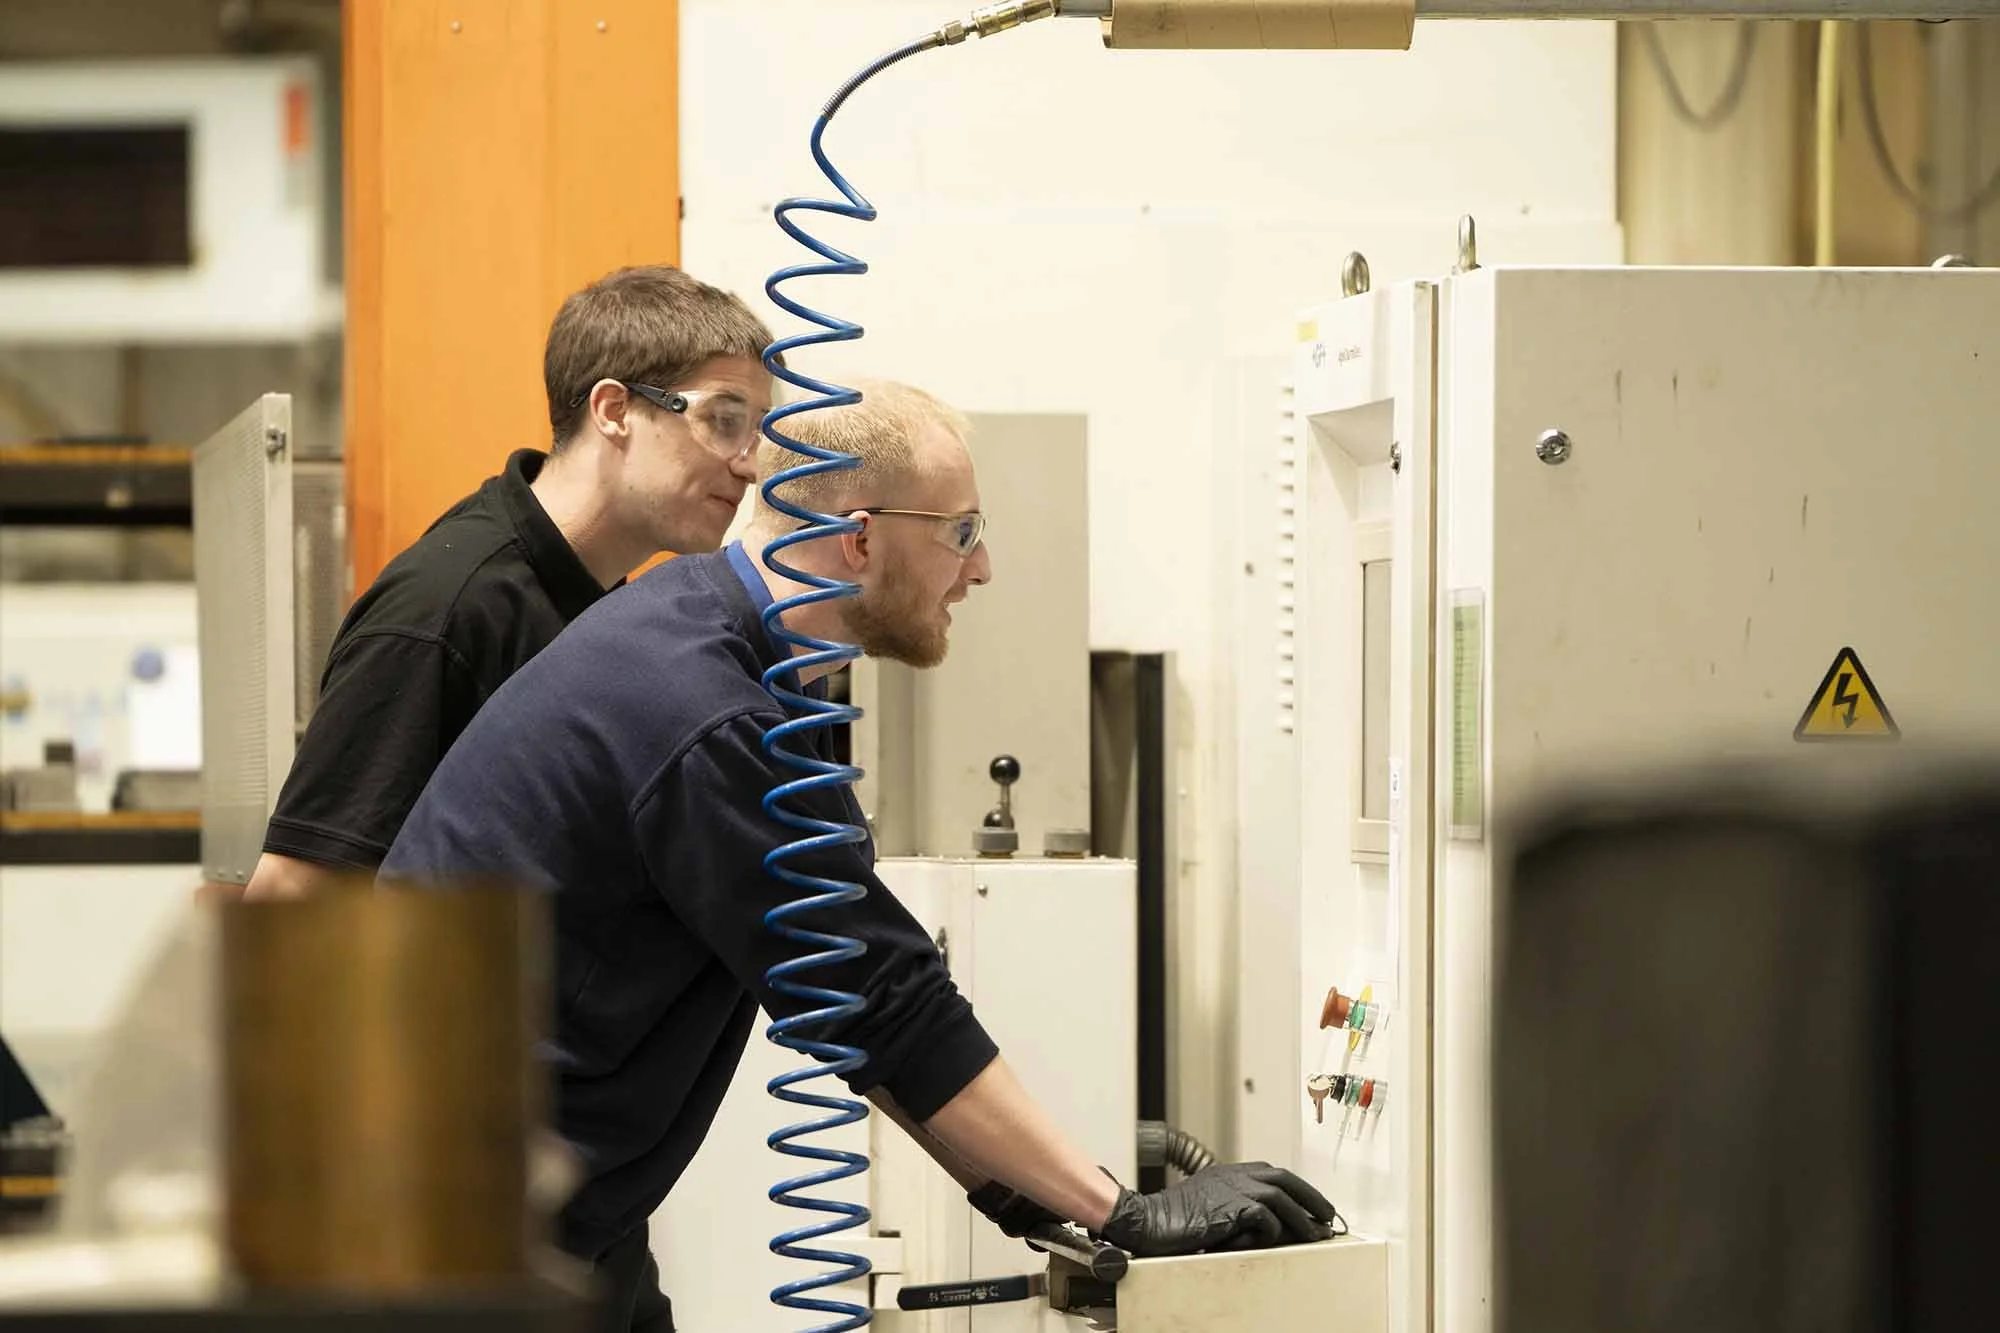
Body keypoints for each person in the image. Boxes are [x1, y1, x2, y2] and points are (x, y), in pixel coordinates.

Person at [378, 381, 1335, 1331]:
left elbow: (852, 1001)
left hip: (547, 1217)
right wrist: (1118, 1211)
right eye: (961, 531)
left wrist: (1041, 1205)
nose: (983, 566)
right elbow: (890, 999)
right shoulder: (704, 709)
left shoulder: (725, 650)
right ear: (862, 535)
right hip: (453, 1237)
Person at [241, 264, 775, 899]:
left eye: (758, 429)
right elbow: (294, 892)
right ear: (614, 410)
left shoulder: (605, 602)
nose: (747, 465)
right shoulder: (448, 610)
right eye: (723, 419)